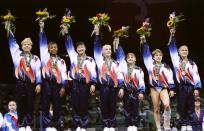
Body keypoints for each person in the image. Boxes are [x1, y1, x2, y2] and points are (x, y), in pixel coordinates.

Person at [168, 28, 202, 131]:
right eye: (182, 50)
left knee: (190, 106)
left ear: (188, 52)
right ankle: (183, 124)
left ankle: (190, 124)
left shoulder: (192, 63)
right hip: (180, 87)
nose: (184, 51)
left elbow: (196, 76)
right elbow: (172, 48)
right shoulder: (175, 61)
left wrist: (196, 88)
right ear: (178, 52)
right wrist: (172, 35)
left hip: (190, 87)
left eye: (186, 50)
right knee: (181, 106)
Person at [7, 32, 42, 131]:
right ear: (21, 46)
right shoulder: (17, 54)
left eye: (28, 44)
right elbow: (12, 43)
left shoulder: (36, 58)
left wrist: (38, 84)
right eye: (24, 44)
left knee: (30, 104)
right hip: (20, 83)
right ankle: (22, 125)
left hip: (31, 84)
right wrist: (9, 28)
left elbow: (38, 72)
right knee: (21, 104)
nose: (26, 46)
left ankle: (29, 125)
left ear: (31, 46)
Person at [140, 35, 175, 131]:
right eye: (156, 55)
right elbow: (146, 52)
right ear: (153, 57)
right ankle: (159, 128)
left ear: (162, 56)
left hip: (163, 88)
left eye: (160, 55)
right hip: (153, 88)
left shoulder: (166, 67)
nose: (158, 56)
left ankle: (167, 126)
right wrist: (144, 41)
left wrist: (172, 89)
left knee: (167, 105)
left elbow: (170, 78)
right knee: (156, 109)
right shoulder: (149, 63)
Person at [93, 25, 124, 131]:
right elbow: (96, 47)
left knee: (112, 107)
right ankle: (106, 125)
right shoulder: (99, 60)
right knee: (104, 107)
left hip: (114, 87)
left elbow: (120, 75)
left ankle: (112, 125)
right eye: (106, 49)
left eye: (110, 49)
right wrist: (97, 34)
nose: (109, 50)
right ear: (102, 52)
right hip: (104, 87)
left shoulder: (116, 63)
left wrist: (121, 87)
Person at [65, 34, 97, 131]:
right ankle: (77, 125)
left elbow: (93, 72)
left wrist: (93, 84)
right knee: (75, 105)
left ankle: (83, 126)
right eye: (78, 47)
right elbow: (69, 45)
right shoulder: (73, 56)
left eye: (81, 47)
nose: (80, 48)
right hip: (75, 84)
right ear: (76, 49)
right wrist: (66, 33)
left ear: (85, 48)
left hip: (85, 84)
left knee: (84, 105)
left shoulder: (90, 59)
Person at [39, 31, 68, 131]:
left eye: (55, 47)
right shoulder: (45, 57)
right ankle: (47, 126)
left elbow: (64, 74)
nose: (53, 49)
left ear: (57, 48)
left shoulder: (61, 61)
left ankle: (56, 125)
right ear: (48, 49)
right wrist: (42, 30)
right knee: (46, 104)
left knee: (57, 105)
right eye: (51, 47)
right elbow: (42, 43)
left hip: (57, 85)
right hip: (46, 83)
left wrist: (64, 86)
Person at [115, 36, 145, 131]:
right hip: (127, 91)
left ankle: (135, 125)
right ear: (126, 60)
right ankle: (129, 125)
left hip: (136, 92)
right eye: (128, 57)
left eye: (132, 57)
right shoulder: (123, 68)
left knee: (135, 109)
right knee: (127, 109)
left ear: (135, 59)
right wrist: (121, 88)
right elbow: (120, 77)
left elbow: (141, 81)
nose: (130, 58)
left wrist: (141, 92)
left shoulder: (139, 69)